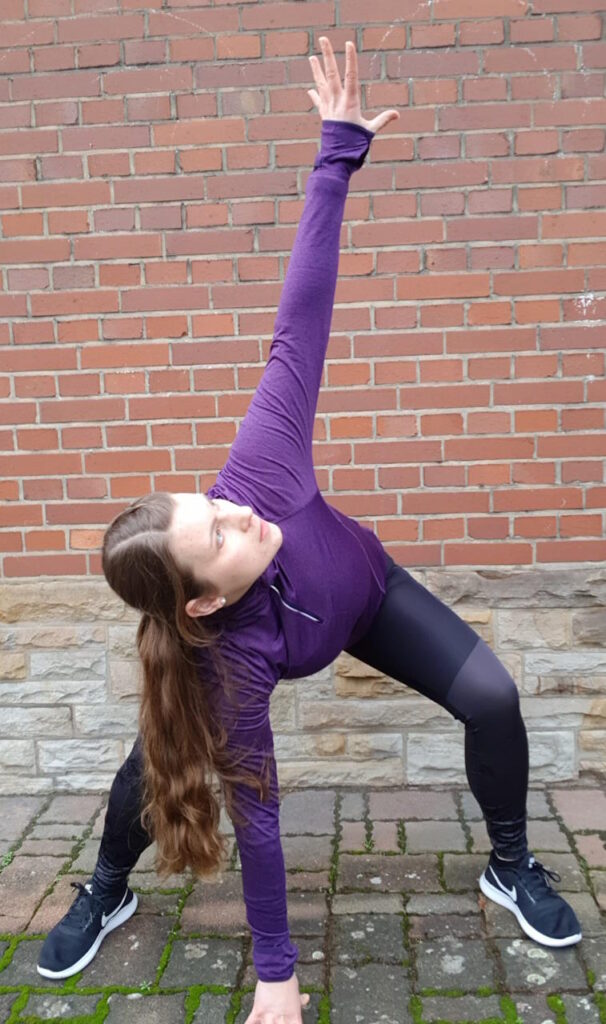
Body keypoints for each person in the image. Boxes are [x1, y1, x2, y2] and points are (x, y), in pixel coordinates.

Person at [36, 36, 581, 1024]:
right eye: (223, 533)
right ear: (204, 597)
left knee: (494, 698)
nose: (242, 511)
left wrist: (335, 155)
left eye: (218, 502)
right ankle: (107, 883)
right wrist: (278, 980)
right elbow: (263, 822)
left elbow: (302, 314)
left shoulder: (260, 469)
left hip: (365, 596)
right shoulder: (227, 662)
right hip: (247, 656)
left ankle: (511, 865)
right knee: (158, 762)